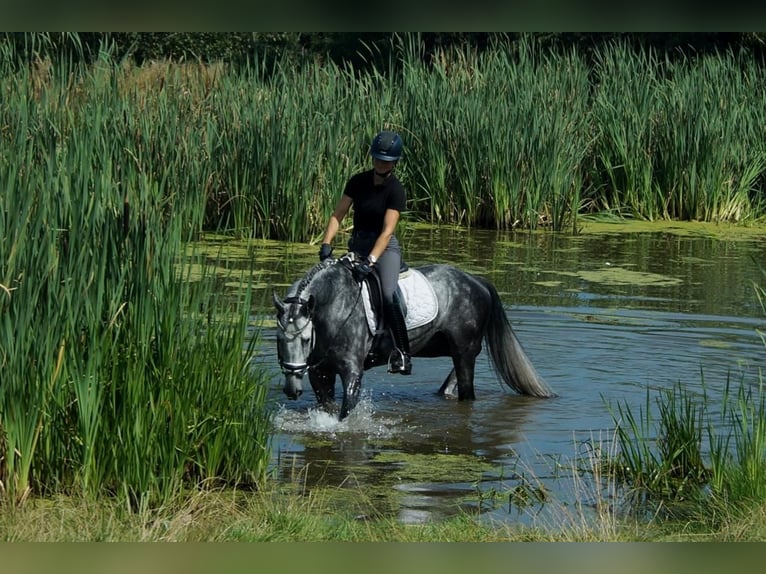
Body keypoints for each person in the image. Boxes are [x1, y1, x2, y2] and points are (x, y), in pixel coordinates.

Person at [318, 130, 411, 375]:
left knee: (389, 294)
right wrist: (327, 243)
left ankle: (402, 353)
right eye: (378, 158)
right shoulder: (357, 181)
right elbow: (338, 215)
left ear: (394, 162)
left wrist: (371, 261)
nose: (381, 163)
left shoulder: (395, 190)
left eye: (387, 160)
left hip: (383, 249)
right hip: (357, 246)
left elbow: (387, 231)